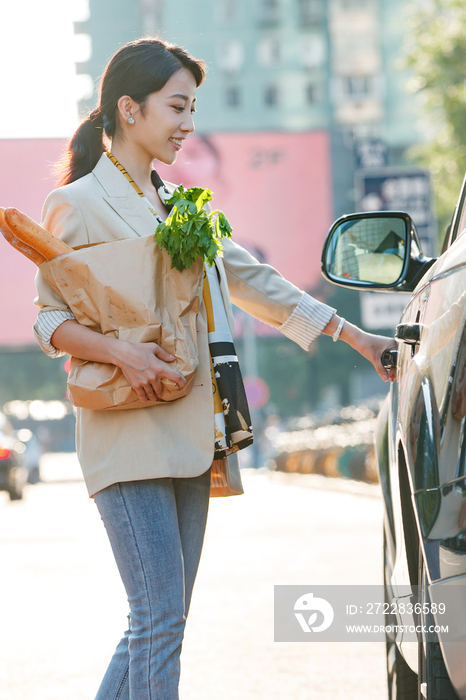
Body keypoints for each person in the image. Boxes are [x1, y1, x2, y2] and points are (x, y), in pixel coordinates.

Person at [33, 37, 396, 700]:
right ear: (129, 109)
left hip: (191, 431)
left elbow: (256, 280)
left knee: (158, 624)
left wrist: (357, 337)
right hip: (124, 435)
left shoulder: (181, 206)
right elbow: (48, 322)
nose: (188, 124)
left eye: (192, 107)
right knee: (158, 622)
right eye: (177, 106)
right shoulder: (77, 204)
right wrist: (123, 352)